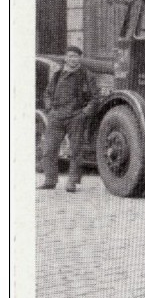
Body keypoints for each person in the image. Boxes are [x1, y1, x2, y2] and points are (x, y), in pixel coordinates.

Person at [39, 45, 99, 192]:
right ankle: (49, 180)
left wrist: (84, 114)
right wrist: (49, 109)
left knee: (76, 151)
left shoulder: (87, 76)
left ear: (80, 58)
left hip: (75, 117)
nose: (73, 59)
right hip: (56, 117)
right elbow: (47, 93)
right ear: (66, 58)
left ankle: (72, 182)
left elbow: (95, 98)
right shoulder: (58, 74)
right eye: (71, 56)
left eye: (76, 56)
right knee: (49, 149)